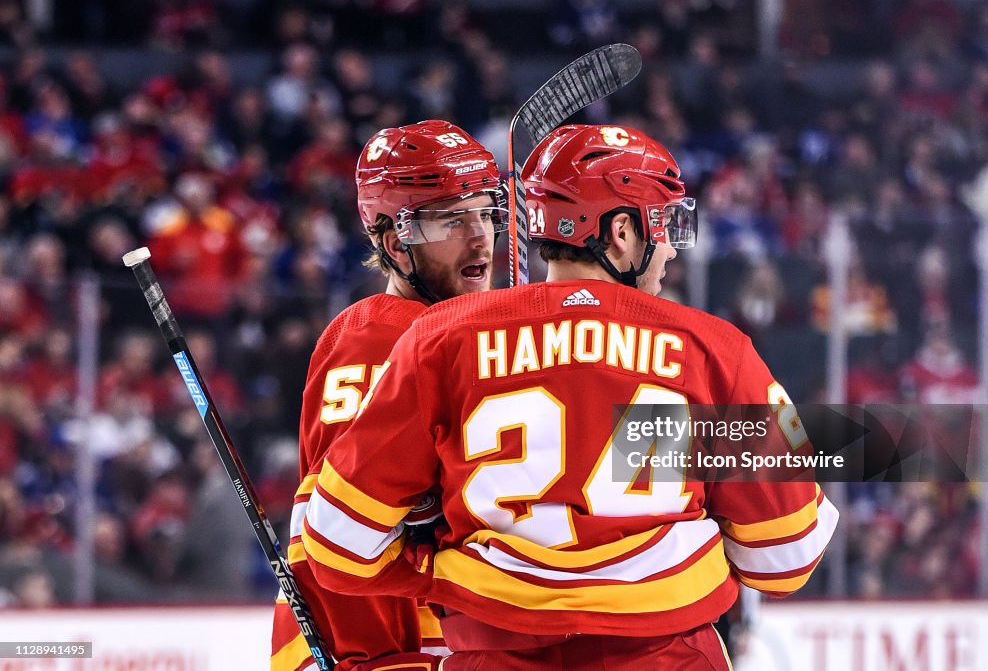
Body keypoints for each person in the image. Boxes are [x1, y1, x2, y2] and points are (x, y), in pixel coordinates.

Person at [301, 124, 839, 669]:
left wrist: (442, 565)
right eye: (665, 223)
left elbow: (336, 545)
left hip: (496, 656)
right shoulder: (716, 350)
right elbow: (786, 558)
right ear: (622, 232)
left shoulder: (440, 339)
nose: (672, 246)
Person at [270, 120, 507, 671]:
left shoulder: (467, 332)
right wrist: (380, 661)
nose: (480, 237)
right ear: (396, 241)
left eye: (484, 212)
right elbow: (333, 529)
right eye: (452, 219)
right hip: (385, 649)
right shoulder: (379, 342)